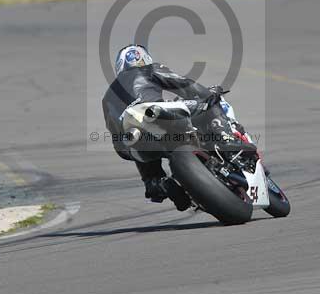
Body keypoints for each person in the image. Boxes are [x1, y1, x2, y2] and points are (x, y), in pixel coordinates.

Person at [102, 44, 243, 211]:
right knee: (209, 102)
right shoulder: (149, 69)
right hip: (157, 115)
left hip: (133, 141)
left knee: (139, 148)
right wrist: (207, 94)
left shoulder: (107, 98)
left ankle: (158, 184)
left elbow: (118, 143)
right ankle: (224, 136)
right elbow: (183, 84)